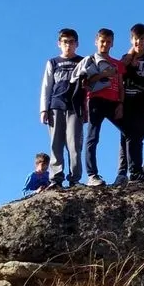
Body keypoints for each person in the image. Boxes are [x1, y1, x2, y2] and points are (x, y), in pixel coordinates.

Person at [70, 28, 126, 187]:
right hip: (96, 100)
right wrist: (103, 74)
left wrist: (121, 104)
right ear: (96, 41)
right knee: (93, 137)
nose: (105, 44)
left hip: (114, 102)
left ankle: (122, 173)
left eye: (108, 41)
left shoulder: (118, 64)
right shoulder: (91, 60)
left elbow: (121, 85)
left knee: (128, 132)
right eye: (102, 41)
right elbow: (85, 83)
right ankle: (92, 174)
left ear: (113, 43)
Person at [39, 28, 84, 189]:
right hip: (55, 106)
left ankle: (75, 178)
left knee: (74, 144)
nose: (68, 45)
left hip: (75, 107)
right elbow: (46, 86)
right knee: (56, 143)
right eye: (65, 42)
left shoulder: (82, 61)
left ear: (76, 44)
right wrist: (43, 109)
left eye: (71, 42)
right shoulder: (53, 62)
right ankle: (56, 178)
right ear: (59, 44)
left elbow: (90, 85)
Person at [115, 23, 144, 184]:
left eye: (141, 38)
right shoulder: (125, 58)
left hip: (143, 102)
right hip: (127, 101)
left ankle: (135, 171)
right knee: (126, 136)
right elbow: (119, 79)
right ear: (131, 40)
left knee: (137, 136)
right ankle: (125, 171)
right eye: (135, 39)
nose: (138, 42)